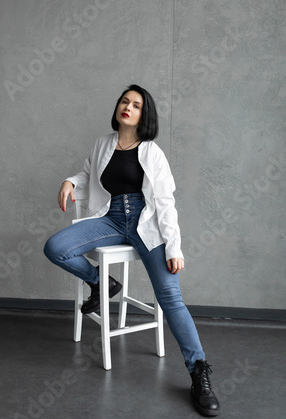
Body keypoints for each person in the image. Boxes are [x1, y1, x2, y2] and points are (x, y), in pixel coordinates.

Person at [44, 84, 220, 417]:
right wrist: (70, 181)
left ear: (144, 115)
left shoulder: (152, 152)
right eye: (124, 101)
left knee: (170, 297)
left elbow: (165, 203)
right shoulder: (102, 144)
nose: (128, 107)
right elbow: (87, 174)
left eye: (136, 105)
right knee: (57, 246)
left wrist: (174, 247)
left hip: (146, 222)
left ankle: (199, 372)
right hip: (110, 219)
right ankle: (102, 282)